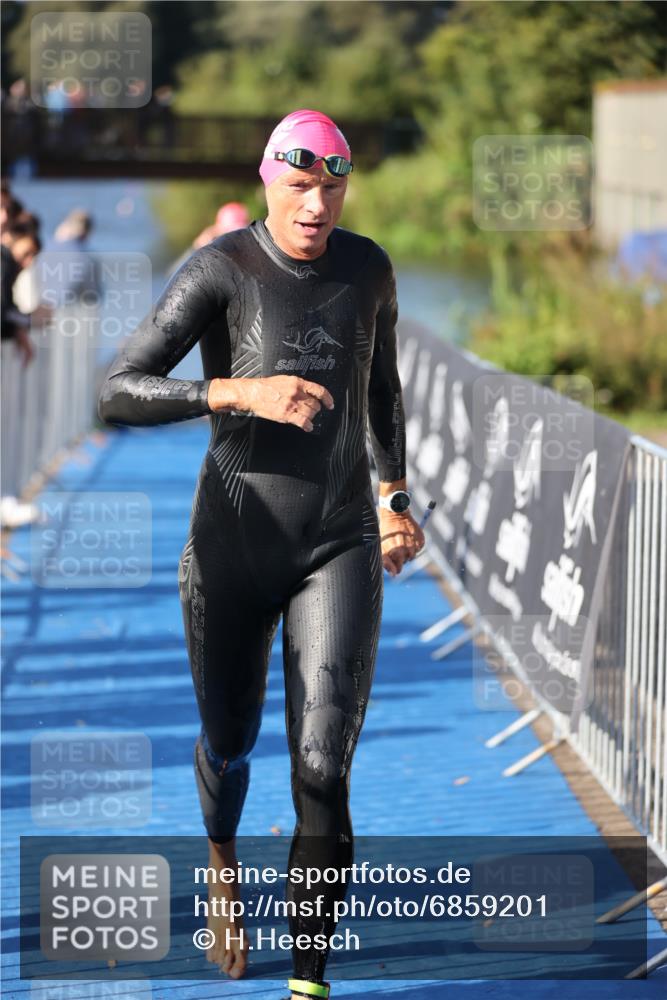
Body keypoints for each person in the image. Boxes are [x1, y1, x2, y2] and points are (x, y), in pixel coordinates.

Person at [98, 108, 424, 1000]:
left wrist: (395, 500)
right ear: (267, 183)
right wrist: (235, 392)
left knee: (322, 766)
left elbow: (382, 394)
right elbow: (117, 390)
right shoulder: (221, 269)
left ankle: (308, 986)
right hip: (232, 544)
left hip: (339, 538)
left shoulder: (368, 269)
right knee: (229, 741)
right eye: (298, 186)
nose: (316, 205)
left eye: (331, 187)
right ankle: (220, 860)